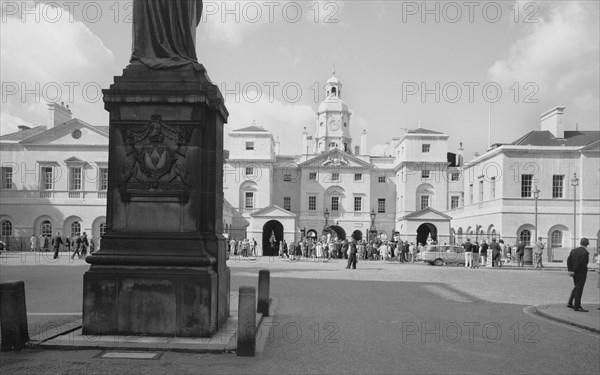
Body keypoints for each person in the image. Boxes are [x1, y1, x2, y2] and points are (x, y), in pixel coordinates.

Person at [567, 238, 590, 312]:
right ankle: (577, 306)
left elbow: (569, 260)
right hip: (581, 273)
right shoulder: (585, 252)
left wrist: (570, 270)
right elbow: (582, 264)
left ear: (580, 243)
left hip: (574, 273)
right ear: (587, 244)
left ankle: (570, 302)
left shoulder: (573, 250)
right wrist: (575, 271)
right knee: (579, 289)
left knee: (576, 287)